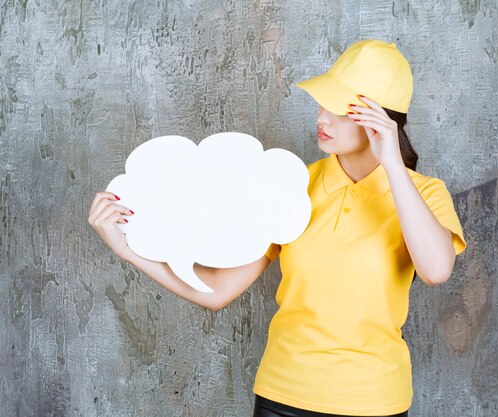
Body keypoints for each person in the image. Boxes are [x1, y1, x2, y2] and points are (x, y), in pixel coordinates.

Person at [88, 39, 466, 417]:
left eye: (341, 110)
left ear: (381, 122)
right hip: (283, 397)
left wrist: (394, 167)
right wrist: (127, 249)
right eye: (322, 104)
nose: (322, 118)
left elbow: (435, 271)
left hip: (376, 400)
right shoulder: (290, 185)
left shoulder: (425, 194)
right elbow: (217, 290)